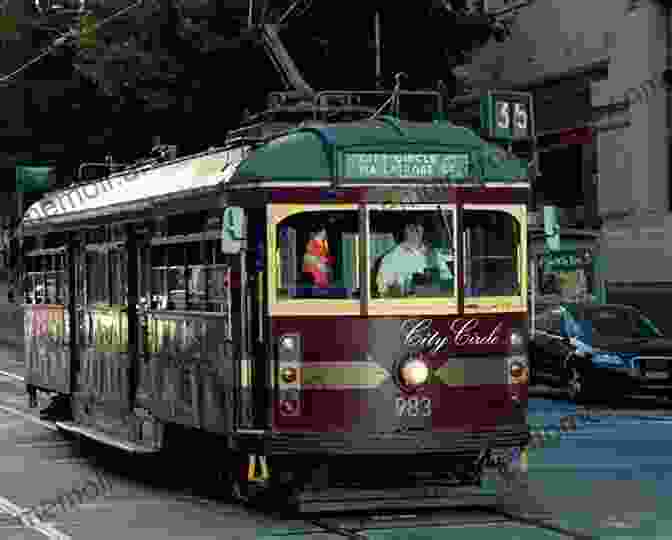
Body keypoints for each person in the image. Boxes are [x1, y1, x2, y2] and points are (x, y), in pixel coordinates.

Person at [376, 220, 430, 297]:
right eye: (412, 229)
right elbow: (384, 290)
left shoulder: (430, 254)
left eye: (419, 230)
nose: (417, 234)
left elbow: (444, 281)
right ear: (405, 233)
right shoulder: (391, 259)